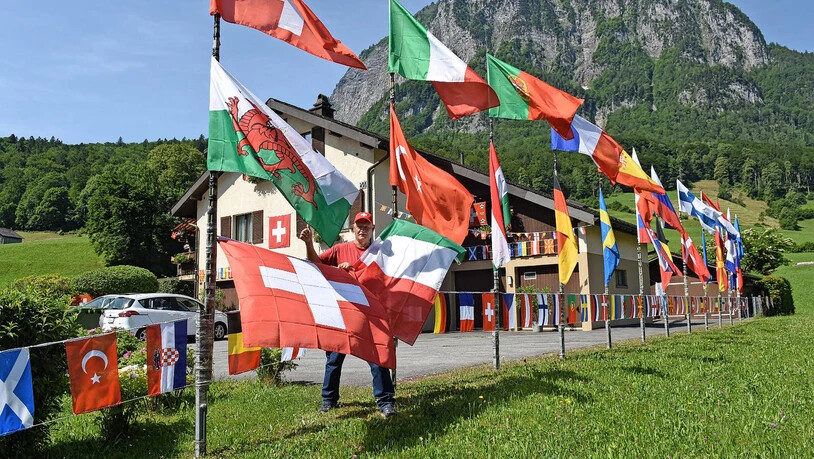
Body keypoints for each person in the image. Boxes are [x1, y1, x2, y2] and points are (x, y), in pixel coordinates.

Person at [298, 211, 397, 419]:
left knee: (378, 356)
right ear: (353, 228)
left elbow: (391, 278)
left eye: (366, 226)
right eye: (359, 226)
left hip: (370, 314)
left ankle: (386, 402)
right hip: (342, 312)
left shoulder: (380, 253)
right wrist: (309, 243)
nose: (362, 229)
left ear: (372, 229)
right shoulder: (341, 249)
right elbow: (317, 263)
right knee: (334, 356)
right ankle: (328, 400)